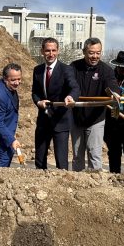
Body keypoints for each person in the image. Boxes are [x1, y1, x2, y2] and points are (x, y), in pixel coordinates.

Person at [69, 37, 118, 171]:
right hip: (77, 118)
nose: (95, 56)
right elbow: (68, 84)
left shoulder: (106, 70)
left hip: (96, 118)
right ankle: (77, 181)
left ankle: (95, 186)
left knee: (94, 154)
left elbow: (112, 85)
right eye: (91, 53)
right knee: (77, 155)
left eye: (98, 53)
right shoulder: (74, 67)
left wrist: (114, 94)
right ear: (84, 51)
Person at [31, 38, 79, 169]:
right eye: (47, 50)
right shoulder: (38, 70)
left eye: (53, 50)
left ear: (58, 51)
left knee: (61, 161)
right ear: (42, 51)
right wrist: (38, 102)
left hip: (61, 121)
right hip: (43, 121)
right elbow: (35, 92)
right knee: (40, 160)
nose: (51, 54)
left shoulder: (66, 69)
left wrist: (70, 96)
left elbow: (74, 87)